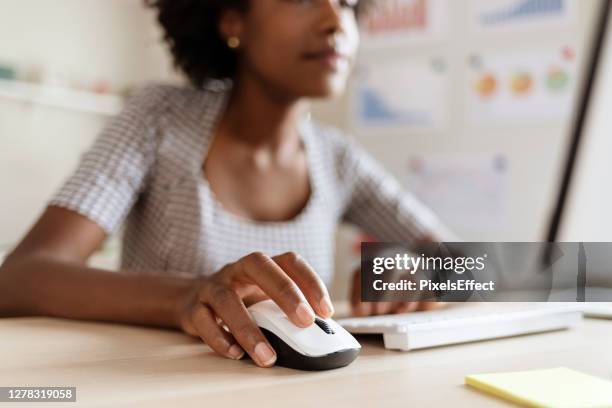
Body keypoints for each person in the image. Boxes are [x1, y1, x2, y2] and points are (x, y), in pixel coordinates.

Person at [0, 0, 453, 368]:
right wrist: (188, 296)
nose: (336, 21)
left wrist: (422, 270)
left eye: (349, 3)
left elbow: (483, 266)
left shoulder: (339, 158)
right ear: (232, 18)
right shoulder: (158, 119)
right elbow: (20, 278)